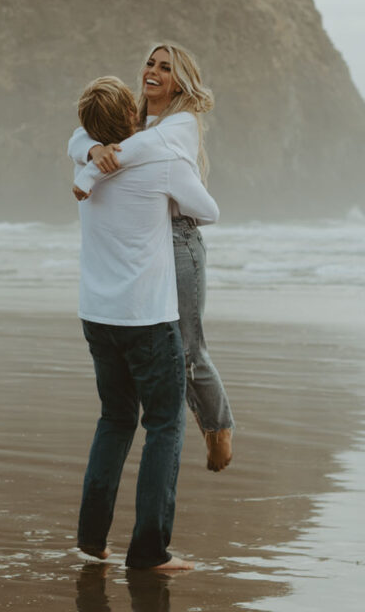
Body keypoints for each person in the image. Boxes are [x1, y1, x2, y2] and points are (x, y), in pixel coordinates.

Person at [73, 76, 219, 571]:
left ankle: (92, 540)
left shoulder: (83, 161)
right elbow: (209, 211)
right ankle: (150, 551)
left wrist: (92, 148)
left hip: (97, 314)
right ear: (134, 119)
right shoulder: (162, 162)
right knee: (164, 424)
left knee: (114, 420)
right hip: (148, 318)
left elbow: (77, 141)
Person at [68, 44, 235, 472]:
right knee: (163, 345)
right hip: (150, 236)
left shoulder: (179, 124)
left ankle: (218, 428)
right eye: (149, 62)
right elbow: (77, 134)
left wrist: (93, 168)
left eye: (166, 67)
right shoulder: (136, 120)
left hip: (179, 238)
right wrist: (90, 150)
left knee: (188, 348)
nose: (153, 71)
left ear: (180, 81)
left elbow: (141, 151)